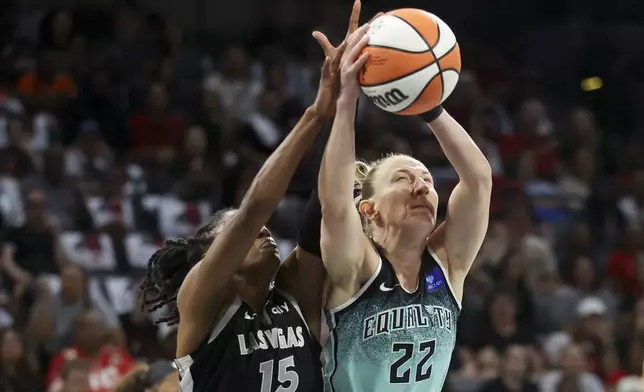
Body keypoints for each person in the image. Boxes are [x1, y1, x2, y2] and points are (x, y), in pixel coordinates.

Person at [138, 3, 364, 391]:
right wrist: (315, 113)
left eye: (263, 229)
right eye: (241, 232)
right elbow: (254, 207)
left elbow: (325, 207)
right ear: (215, 252)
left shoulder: (294, 293)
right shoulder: (203, 300)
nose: (264, 230)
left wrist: (344, 103)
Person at [316, 23, 493, 392]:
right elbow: (334, 203)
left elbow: (478, 180)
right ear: (368, 209)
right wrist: (347, 98)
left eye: (427, 180)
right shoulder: (358, 267)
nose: (421, 186)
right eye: (402, 178)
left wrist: (430, 104)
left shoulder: (448, 265)